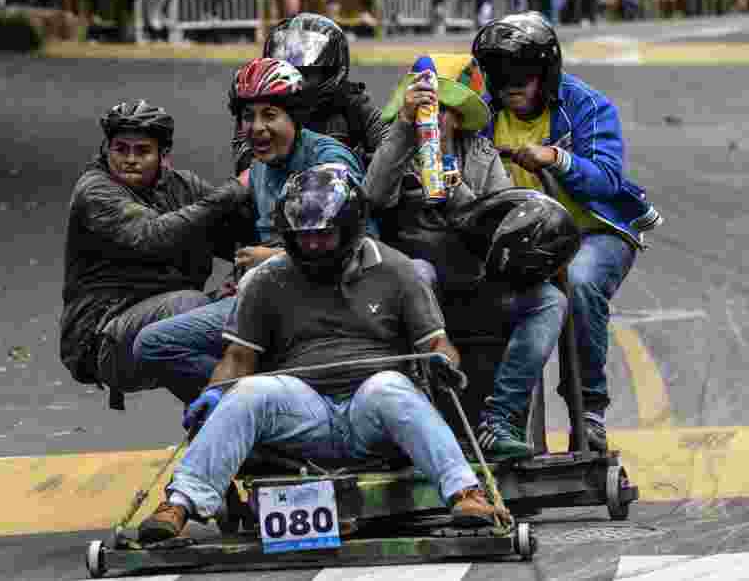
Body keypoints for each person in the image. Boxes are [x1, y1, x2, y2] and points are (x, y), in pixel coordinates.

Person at [137, 164, 505, 544]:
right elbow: (238, 359)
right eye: (302, 236)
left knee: (388, 386)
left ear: (349, 229)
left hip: (373, 414)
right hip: (305, 415)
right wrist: (214, 394)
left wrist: (445, 364)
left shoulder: (396, 270)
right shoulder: (266, 279)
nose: (311, 245)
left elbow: (435, 345)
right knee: (248, 392)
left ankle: (466, 494)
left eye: (323, 235)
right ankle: (179, 504)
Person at [364, 54, 577, 459]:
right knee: (417, 272)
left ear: (457, 117)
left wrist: (458, 192)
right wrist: (406, 132)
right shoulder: (395, 144)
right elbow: (372, 196)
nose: (433, 118)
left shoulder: (481, 155)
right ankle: (417, 417)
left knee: (551, 300)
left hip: (477, 280)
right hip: (413, 289)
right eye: (426, 108)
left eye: (440, 110)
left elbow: (503, 228)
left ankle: (501, 419)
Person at [472, 12, 664, 452]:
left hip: (593, 233)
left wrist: (557, 159)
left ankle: (590, 412)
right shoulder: (479, 113)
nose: (510, 84)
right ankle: (495, 426)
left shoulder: (588, 106)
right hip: (514, 241)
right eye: (499, 74)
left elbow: (606, 181)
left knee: (577, 283)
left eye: (521, 74)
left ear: (546, 73)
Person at [131, 57, 372, 403]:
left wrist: (272, 258)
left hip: (324, 299)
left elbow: (359, 248)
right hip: (271, 293)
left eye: (269, 115)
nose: (256, 127)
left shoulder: (328, 163)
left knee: (156, 343)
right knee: (150, 344)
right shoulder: (261, 165)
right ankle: (256, 411)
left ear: (297, 117)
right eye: (248, 116)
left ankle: (259, 406)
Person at [59, 99, 250, 410]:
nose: (130, 160)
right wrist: (232, 190)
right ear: (107, 150)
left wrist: (243, 273)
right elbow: (153, 235)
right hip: (104, 337)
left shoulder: (183, 187)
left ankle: (226, 414)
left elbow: (239, 237)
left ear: (164, 156)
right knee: (190, 308)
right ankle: (238, 408)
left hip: (168, 318)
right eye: (121, 149)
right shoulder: (95, 191)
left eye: (142, 151)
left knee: (249, 307)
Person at [231, 13, 387, 175]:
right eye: (286, 74)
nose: (295, 82)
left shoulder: (352, 101)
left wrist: (362, 161)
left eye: (305, 74)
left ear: (330, 71)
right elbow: (245, 162)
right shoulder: (256, 104)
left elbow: (387, 144)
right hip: (276, 192)